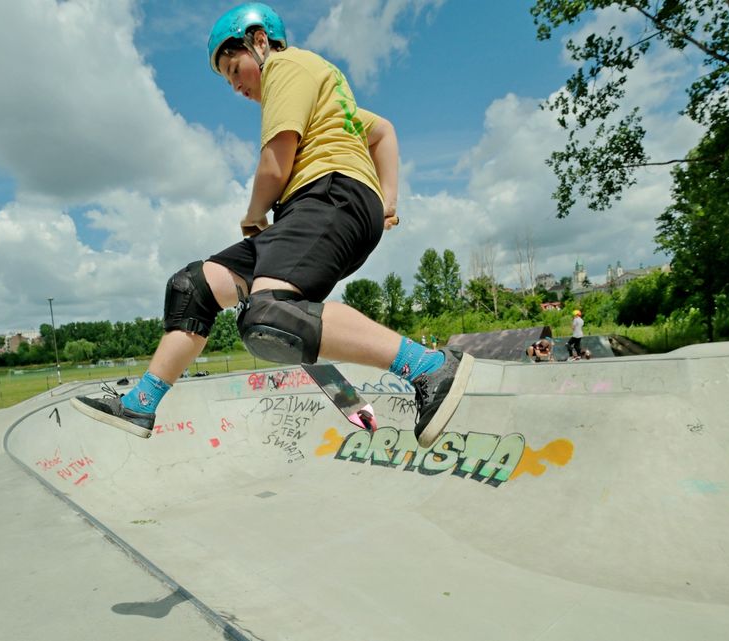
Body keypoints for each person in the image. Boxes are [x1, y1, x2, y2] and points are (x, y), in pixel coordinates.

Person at [72, 3, 468, 448]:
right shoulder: (331, 97)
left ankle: (429, 366)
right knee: (192, 288)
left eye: (234, 67)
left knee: (269, 314)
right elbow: (383, 132)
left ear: (259, 42)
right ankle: (140, 403)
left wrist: (253, 215)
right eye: (226, 79)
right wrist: (388, 200)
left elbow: (275, 163)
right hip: (314, 208)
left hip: (332, 196)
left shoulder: (286, 65)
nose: (235, 84)